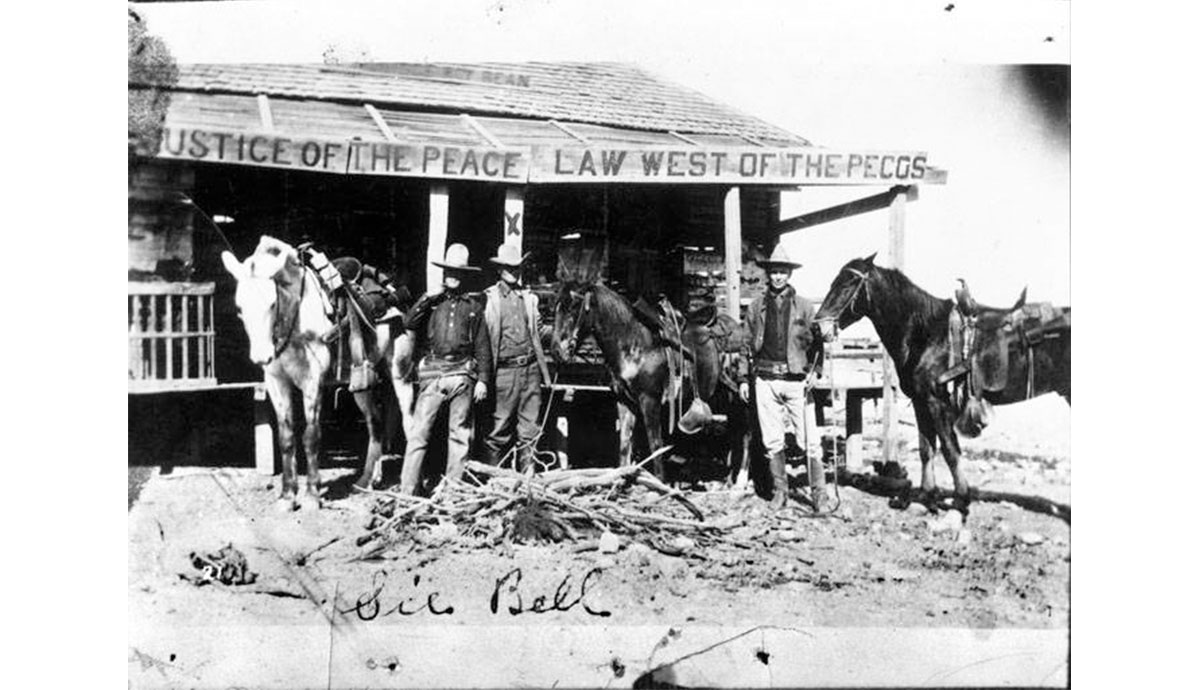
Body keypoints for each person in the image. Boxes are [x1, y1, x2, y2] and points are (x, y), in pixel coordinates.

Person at [397, 243, 492, 495]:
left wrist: (483, 379)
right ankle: (407, 490)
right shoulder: (431, 304)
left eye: (457, 272)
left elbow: (483, 346)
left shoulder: (473, 307)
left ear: (464, 275)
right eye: (448, 271)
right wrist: (428, 297)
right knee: (419, 434)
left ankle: (453, 490)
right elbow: (409, 321)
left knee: (460, 435)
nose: (452, 276)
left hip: (462, 374)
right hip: (433, 374)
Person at [738, 245, 827, 511]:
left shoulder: (805, 307)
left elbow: (818, 344)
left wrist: (816, 372)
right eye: (774, 272)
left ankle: (819, 494)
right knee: (773, 439)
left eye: (782, 272)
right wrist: (744, 378)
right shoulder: (756, 307)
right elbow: (745, 344)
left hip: (796, 381)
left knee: (810, 440)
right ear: (768, 275)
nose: (777, 277)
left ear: (789, 275)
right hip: (765, 380)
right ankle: (780, 492)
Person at [482, 242, 552, 470]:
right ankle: (497, 482)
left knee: (530, 429)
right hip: (503, 373)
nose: (514, 272)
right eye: (509, 268)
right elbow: (481, 338)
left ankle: (526, 482)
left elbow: (539, 332)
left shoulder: (530, 299)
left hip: (530, 371)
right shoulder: (489, 299)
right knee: (499, 429)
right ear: (499, 270)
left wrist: (562, 334)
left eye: (517, 267)